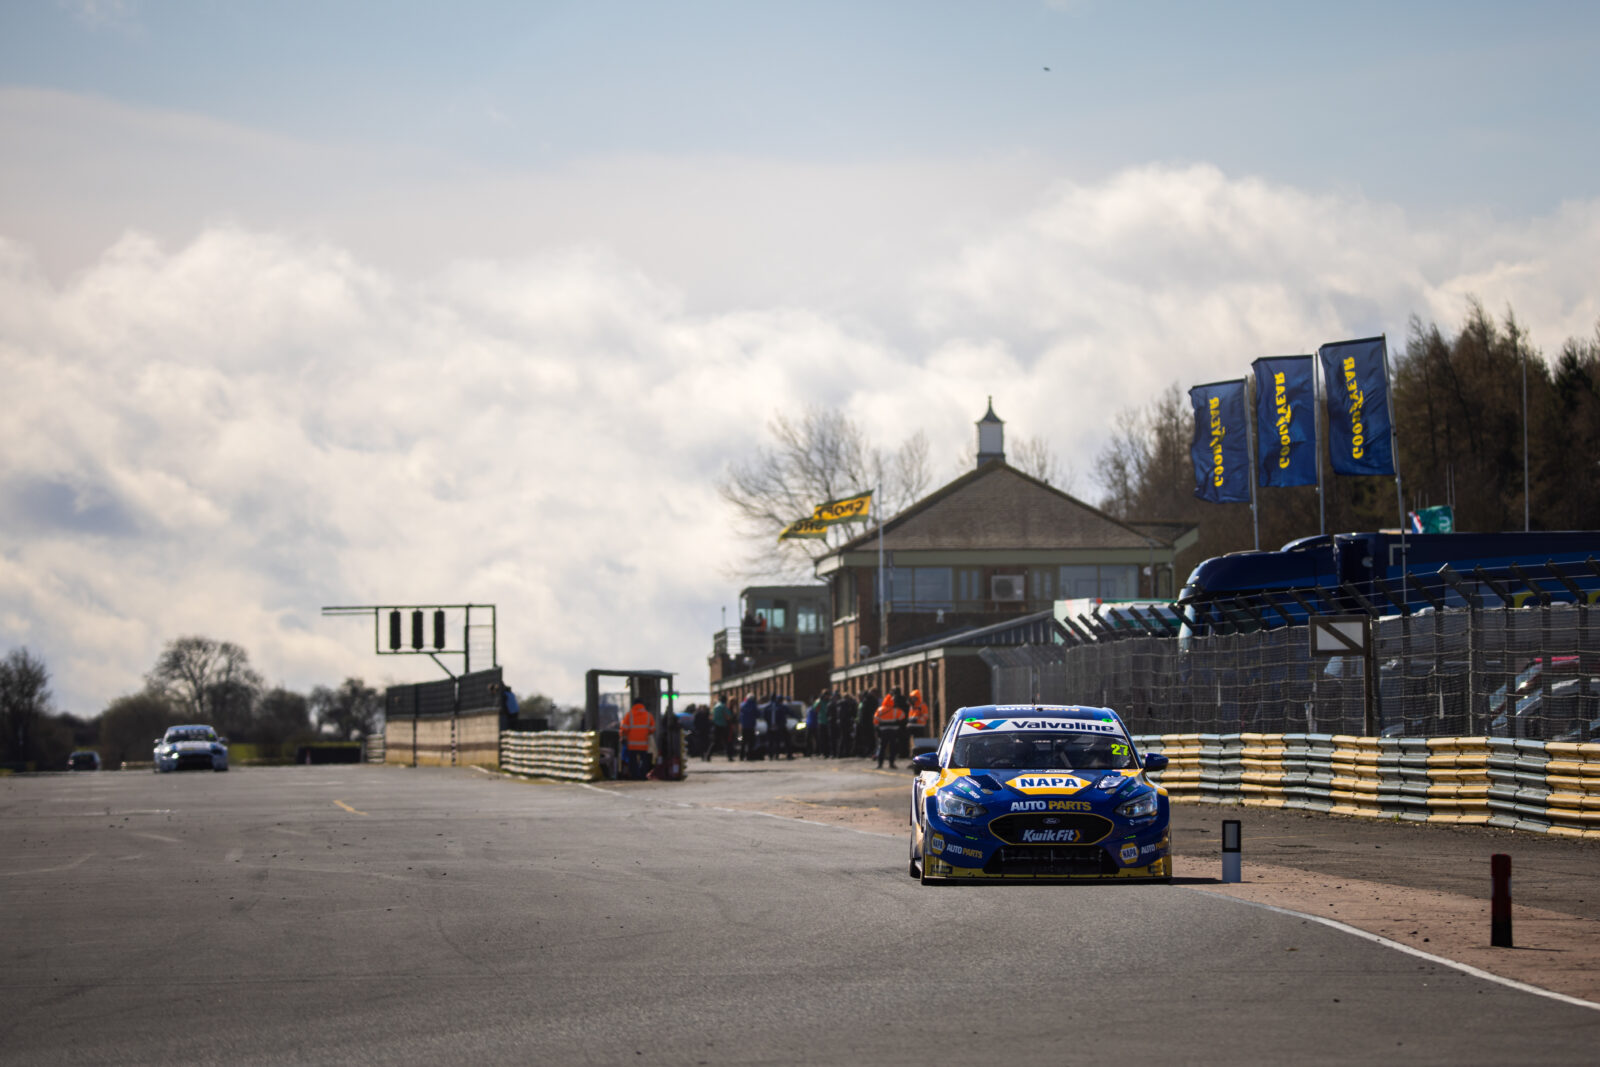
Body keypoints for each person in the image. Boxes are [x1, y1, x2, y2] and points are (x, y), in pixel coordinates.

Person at [620, 701, 655, 779]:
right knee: (644, 760)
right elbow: (652, 729)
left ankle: (635, 776)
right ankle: (643, 775)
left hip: (632, 744)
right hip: (644, 744)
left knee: (633, 761)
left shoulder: (629, 715)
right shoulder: (648, 715)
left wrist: (623, 736)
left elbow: (624, 729)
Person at [873, 692, 906, 769]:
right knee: (892, 747)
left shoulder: (880, 710)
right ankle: (891, 763)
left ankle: (880, 764)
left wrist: (878, 730)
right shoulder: (895, 710)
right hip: (893, 732)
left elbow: (875, 721)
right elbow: (903, 716)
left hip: (883, 732)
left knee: (882, 747)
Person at [831, 690, 857, 758]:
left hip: (840, 723)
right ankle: (844, 753)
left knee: (841, 738)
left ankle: (840, 753)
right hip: (845, 723)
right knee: (845, 738)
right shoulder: (846, 704)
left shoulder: (839, 704)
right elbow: (850, 714)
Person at [767, 692, 792, 760]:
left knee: (772, 742)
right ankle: (776, 755)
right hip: (778, 726)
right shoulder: (780, 707)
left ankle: (772, 755)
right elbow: (787, 714)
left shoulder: (768, 706)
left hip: (771, 726)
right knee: (777, 741)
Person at [738, 693, 760, 761]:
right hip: (751, 726)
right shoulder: (754, 705)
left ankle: (741, 756)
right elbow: (758, 714)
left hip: (744, 726)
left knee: (743, 742)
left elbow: (740, 716)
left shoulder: (742, 705)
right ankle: (749, 756)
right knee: (751, 742)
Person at [811, 689, 831, 758]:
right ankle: (822, 752)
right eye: (826, 695)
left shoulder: (828, 701)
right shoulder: (819, 701)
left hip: (828, 722)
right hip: (821, 722)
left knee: (827, 738)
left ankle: (827, 752)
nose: (827, 697)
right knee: (822, 739)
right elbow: (815, 709)